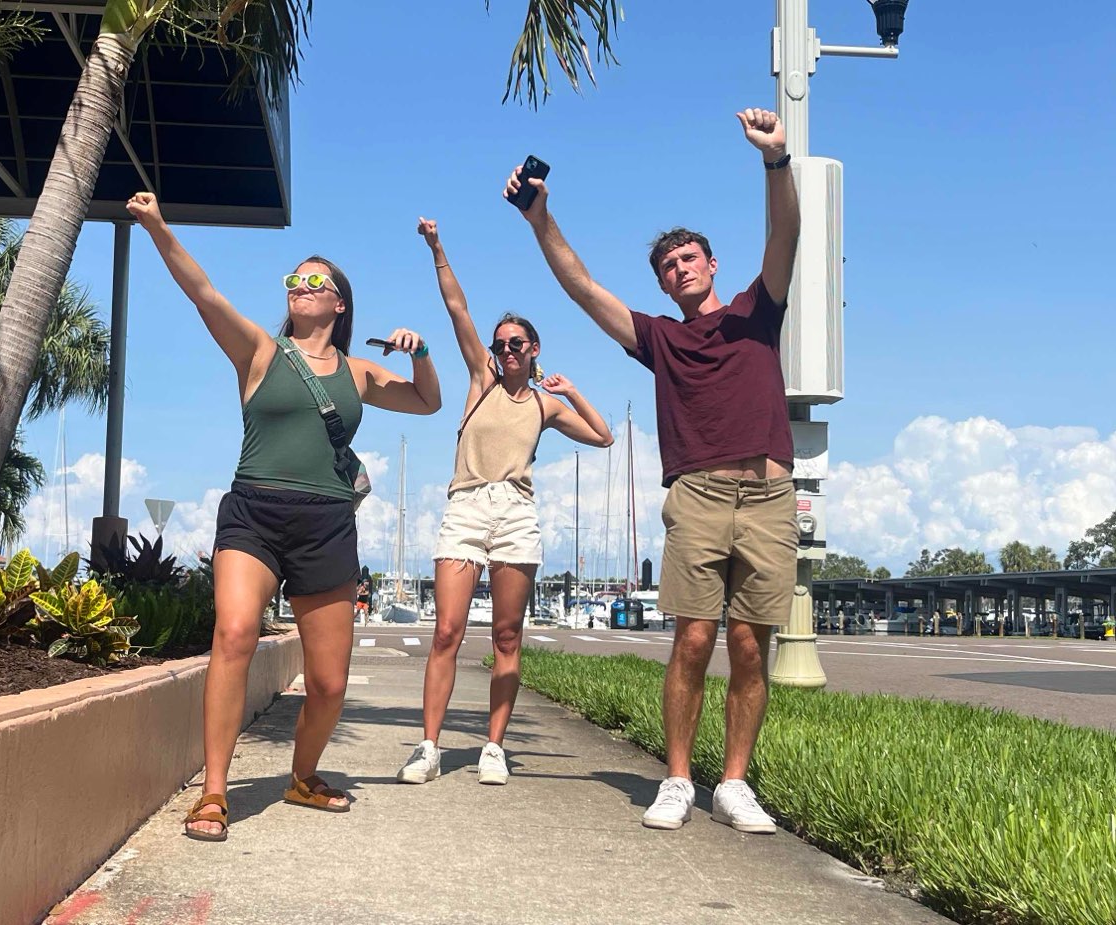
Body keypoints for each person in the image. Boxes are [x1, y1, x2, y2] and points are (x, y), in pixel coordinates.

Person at [507, 109, 799, 834]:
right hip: (697, 493)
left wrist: (775, 161)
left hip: (768, 493)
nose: (680, 269)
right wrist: (540, 217)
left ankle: (734, 782)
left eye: (689, 258)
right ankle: (675, 779)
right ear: (665, 285)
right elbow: (582, 288)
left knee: (749, 643)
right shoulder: (660, 338)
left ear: (713, 263)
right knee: (695, 636)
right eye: (668, 267)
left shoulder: (756, 312)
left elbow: (785, 235)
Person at [126, 190, 443, 842]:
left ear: (339, 303)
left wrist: (420, 351)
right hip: (255, 513)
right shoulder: (260, 352)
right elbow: (204, 293)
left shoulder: (358, 373)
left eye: (314, 281)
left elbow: (429, 403)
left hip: (327, 524)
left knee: (328, 683)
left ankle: (303, 775)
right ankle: (214, 792)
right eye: (294, 280)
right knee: (234, 632)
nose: (301, 287)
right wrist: (158, 226)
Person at [397, 218, 613, 787]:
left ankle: (495, 746)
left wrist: (570, 392)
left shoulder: (544, 405)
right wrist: (438, 246)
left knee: (508, 637)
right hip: (466, 505)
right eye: (501, 344)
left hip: (516, 513)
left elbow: (603, 437)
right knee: (447, 631)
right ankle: (429, 746)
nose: (507, 350)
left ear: (534, 348)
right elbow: (456, 308)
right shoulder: (481, 379)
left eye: (516, 344)